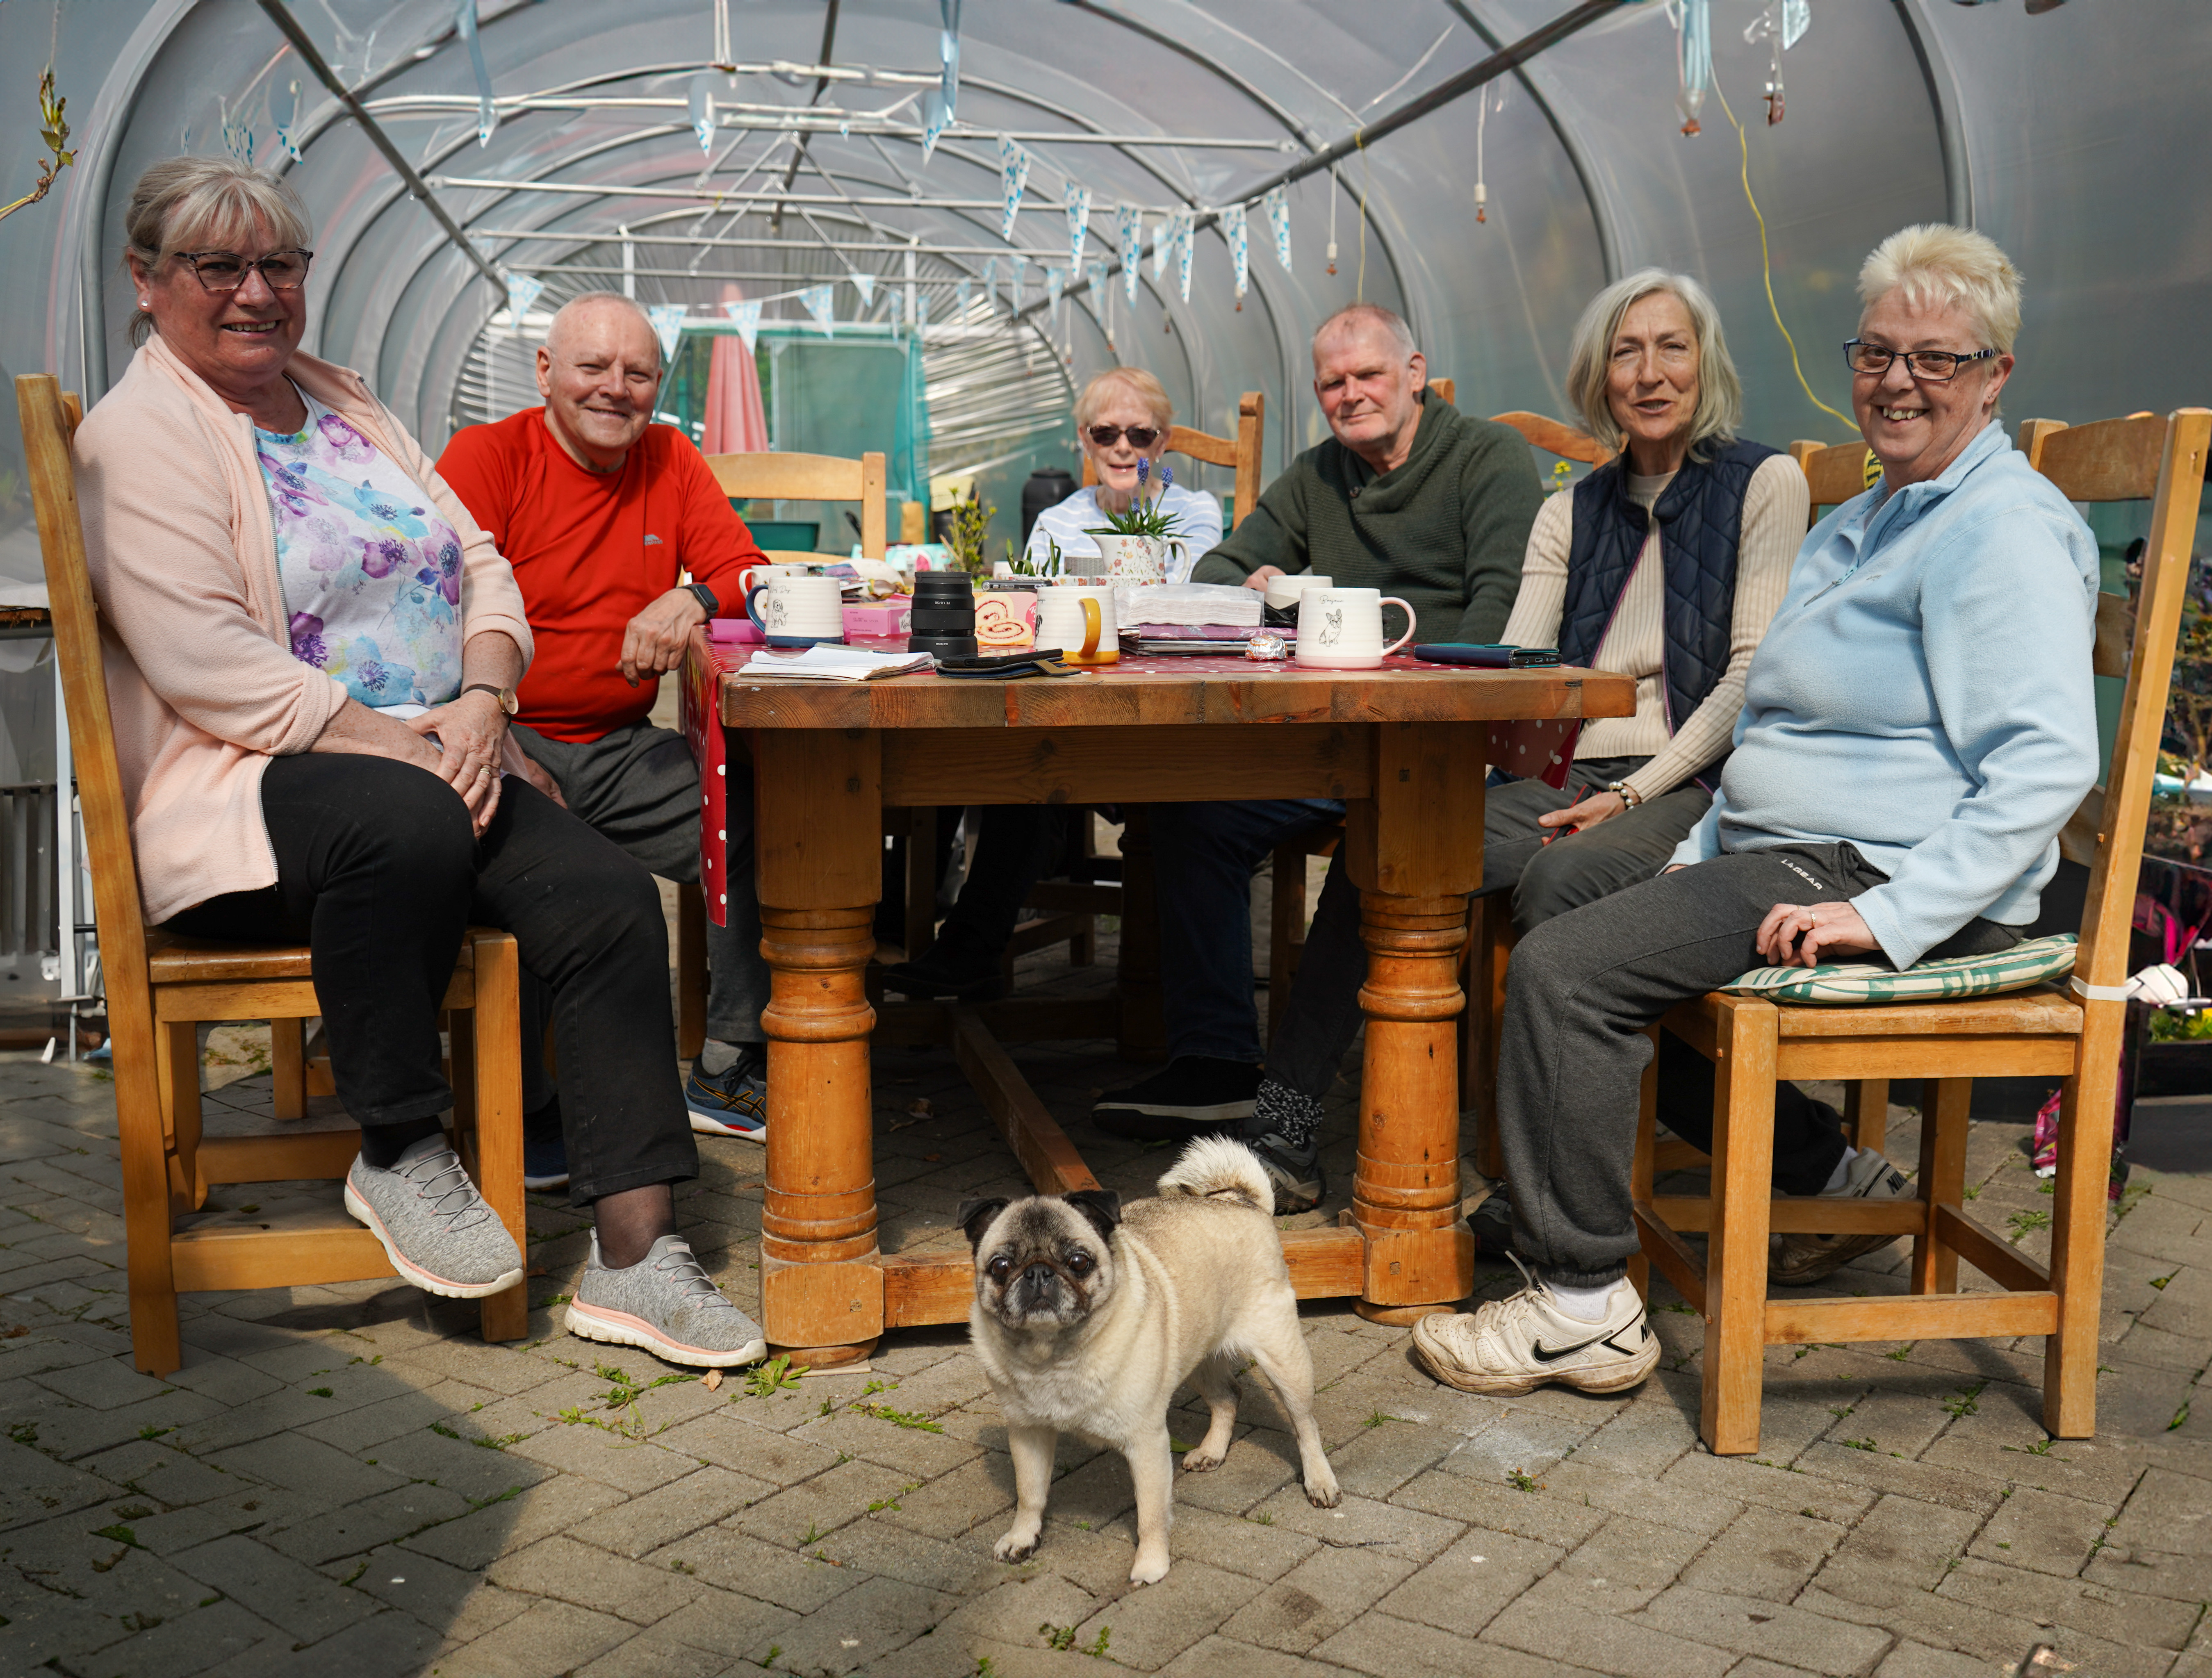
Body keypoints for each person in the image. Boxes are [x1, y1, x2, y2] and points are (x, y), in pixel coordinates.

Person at [78, 156, 765, 1368]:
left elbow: (479, 564)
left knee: (607, 894)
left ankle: (637, 1254)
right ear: (147, 280)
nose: (256, 291)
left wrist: (486, 705)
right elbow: (207, 661)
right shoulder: (137, 437)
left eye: (278, 264)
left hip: (439, 752)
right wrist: (417, 743)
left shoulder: (341, 404)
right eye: (218, 266)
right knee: (410, 822)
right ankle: (398, 1146)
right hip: (254, 784)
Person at [1409, 224, 2100, 1400]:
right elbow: (1772, 730)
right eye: (1876, 353)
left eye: (1935, 359)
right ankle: (1711, 1189)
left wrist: (1891, 913)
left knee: (1567, 973)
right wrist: (1689, 848)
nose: (1897, 381)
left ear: (1994, 377)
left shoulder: (1999, 527)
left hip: (1881, 873)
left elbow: (2046, 763)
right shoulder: (1867, 519)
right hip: (1789, 852)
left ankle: (1581, 1307)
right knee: (1571, 918)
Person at [1240, 271, 1815, 1214]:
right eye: (1625, 353)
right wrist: (1458, 773)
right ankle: (1286, 1123)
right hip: (1566, 776)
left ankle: (1555, 1176)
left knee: (1560, 884)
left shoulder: (1766, 481)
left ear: (1705, 362)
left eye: (1671, 348)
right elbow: (1515, 674)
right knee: (1387, 842)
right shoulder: (1568, 510)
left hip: (1696, 779)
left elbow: (1750, 678)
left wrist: (1633, 793)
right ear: (1598, 377)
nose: (1650, 372)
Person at [1092, 303, 1543, 1133]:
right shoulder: (1317, 474)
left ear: (1415, 374)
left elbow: (1503, 614)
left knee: (1383, 830)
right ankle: (1217, 1060)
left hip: (1451, 746)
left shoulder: (1488, 457)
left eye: (1368, 374)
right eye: (1332, 382)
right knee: (1191, 809)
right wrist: (1256, 586)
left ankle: (1346, 1100)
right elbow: (1216, 568)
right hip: (1333, 738)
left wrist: (1399, 677)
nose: (1350, 394)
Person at [439, 295, 773, 1168]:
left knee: (750, 812)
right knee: (506, 863)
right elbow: (430, 616)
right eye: (593, 367)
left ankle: (729, 1065)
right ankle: (522, 1105)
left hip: (622, 749)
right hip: (504, 739)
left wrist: (692, 596)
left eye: (637, 374)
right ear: (545, 373)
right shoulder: (487, 456)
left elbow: (750, 574)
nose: (615, 389)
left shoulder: (670, 457)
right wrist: (504, 749)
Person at [881, 368, 1222, 1000]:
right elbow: (1032, 604)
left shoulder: (1196, 512)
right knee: (954, 735)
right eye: (1106, 433)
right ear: (1084, 440)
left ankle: (968, 945)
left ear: (1164, 441)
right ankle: (896, 924)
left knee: (1028, 762)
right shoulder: (1059, 519)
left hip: (1158, 711)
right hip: (1067, 699)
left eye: (1141, 434)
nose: (1123, 447)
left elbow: (1186, 602)